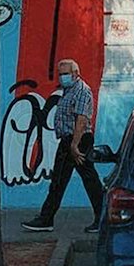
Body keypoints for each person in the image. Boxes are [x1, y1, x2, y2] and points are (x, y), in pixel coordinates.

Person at [22, 59, 105, 234]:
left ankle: (47, 218)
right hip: (70, 140)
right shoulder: (69, 90)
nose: (62, 77)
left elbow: (81, 120)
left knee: (68, 180)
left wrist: (74, 145)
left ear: (75, 73)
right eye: (60, 73)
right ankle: (102, 217)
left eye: (65, 73)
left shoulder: (82, 91)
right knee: (80, 180)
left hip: (76, 140)